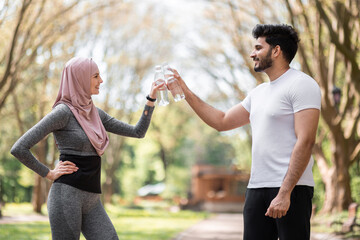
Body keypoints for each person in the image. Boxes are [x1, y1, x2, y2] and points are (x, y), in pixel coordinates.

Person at [170, 24, 321, 240]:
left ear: (276, 50)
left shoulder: (302, 85)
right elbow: (222, 122)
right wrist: (184, 91)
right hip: (256, 188)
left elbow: (306, 141)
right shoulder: (258, 93)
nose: (252, 54)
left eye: (258, 48)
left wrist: (285, 193)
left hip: (291, 189)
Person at [11, 57, 163, 240]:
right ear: (80, 79)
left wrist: (151, 97)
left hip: (92, 200)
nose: (101, 81)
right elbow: (19, 148)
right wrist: (48, 173)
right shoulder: (63, 113)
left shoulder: (96, 114)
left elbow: (138, 132)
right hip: (66, 197)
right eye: (96, 76)